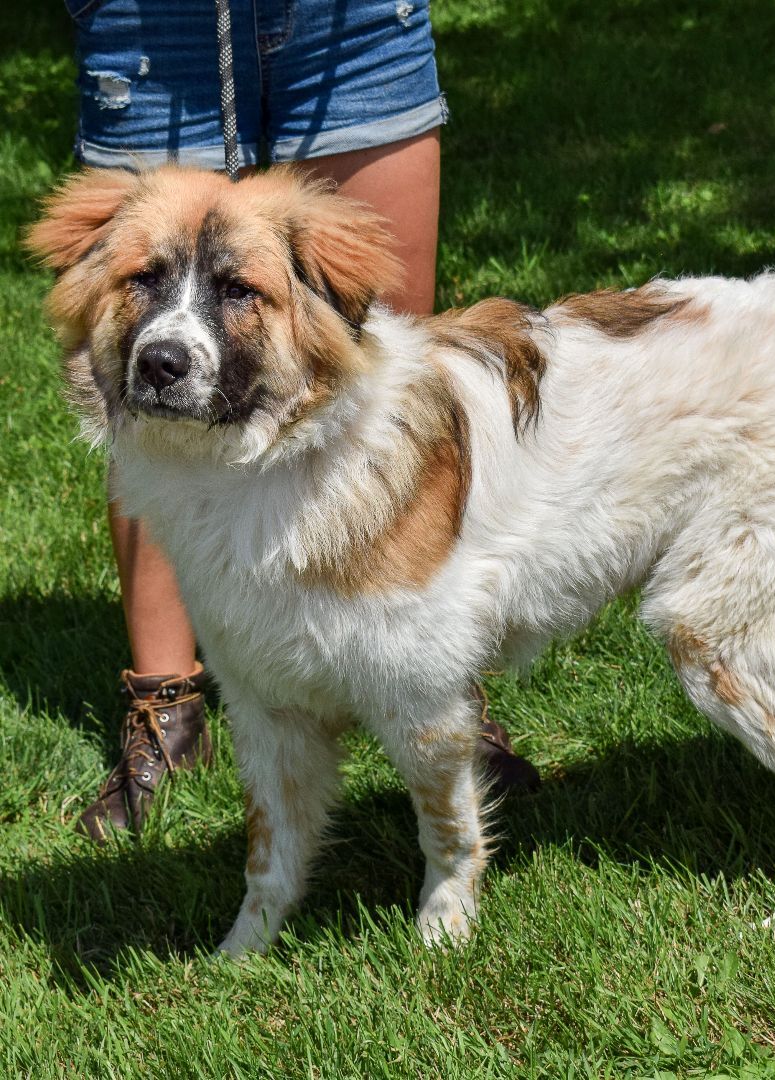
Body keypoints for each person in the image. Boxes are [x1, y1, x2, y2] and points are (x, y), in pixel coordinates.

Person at [69, 0, 539, 841]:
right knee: (152, 381)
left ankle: (423, 676)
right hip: (156, 20)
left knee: (384, 373)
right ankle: (166, 712)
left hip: (351, 18)